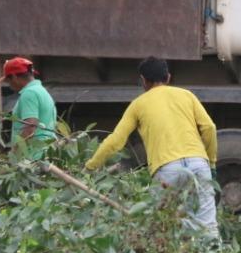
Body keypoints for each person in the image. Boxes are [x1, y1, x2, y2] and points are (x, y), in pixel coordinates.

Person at [85, 57, 219, 240]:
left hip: (167, 169)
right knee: (207, 226)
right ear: (169, 77)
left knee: (163, 226)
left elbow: (116, 140)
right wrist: (211, 162)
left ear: (143, 80)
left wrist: (91, 167)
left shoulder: (138, 104)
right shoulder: (187, 95)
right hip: (198, 163)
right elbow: (209, 127)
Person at [1, 56, 58, 160]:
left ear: (14, 77)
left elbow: (30, 127)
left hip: (33, 155)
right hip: (46, 151)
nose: (9, 85)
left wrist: (14, 154)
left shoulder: (29, 94)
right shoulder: (42, 91)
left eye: (8, 81)